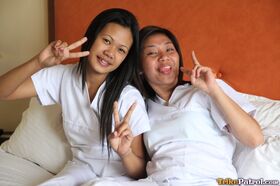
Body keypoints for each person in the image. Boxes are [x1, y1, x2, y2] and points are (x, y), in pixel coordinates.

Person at [0, 8, 150, 186]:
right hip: (81, 167)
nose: (110, 52)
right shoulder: (63, 77)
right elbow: (4, 92)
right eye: (106, 40)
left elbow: (140, 171)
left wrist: (125, 153)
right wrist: (38, 63)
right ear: (92, 37)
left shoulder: (129, 98)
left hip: (120, 175)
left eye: (121, 50)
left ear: (125, 58)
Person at [137, 26, 264, 186]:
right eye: (152, 52)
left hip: (210, 180)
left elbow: (254, 138)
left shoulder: (205, 89)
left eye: (170, 49)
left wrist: (213, 90)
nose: (164, 57)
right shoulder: (140, 105)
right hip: (157, 181)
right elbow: (137, 165)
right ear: (139, 66)